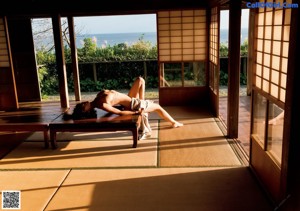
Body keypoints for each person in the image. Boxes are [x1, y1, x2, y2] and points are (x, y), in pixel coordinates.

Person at [65, 76, 183, 129]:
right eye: (82, 106)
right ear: (87, 111)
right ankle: (173, 123)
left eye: (81, 104)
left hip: (130, 98)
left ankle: (143, 101)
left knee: (140, 80)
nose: (83, 103)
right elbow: (119, 113)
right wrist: (136, 112)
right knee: (158, 107)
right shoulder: (102, 105)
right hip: (133, 105)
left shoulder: (97, 97)